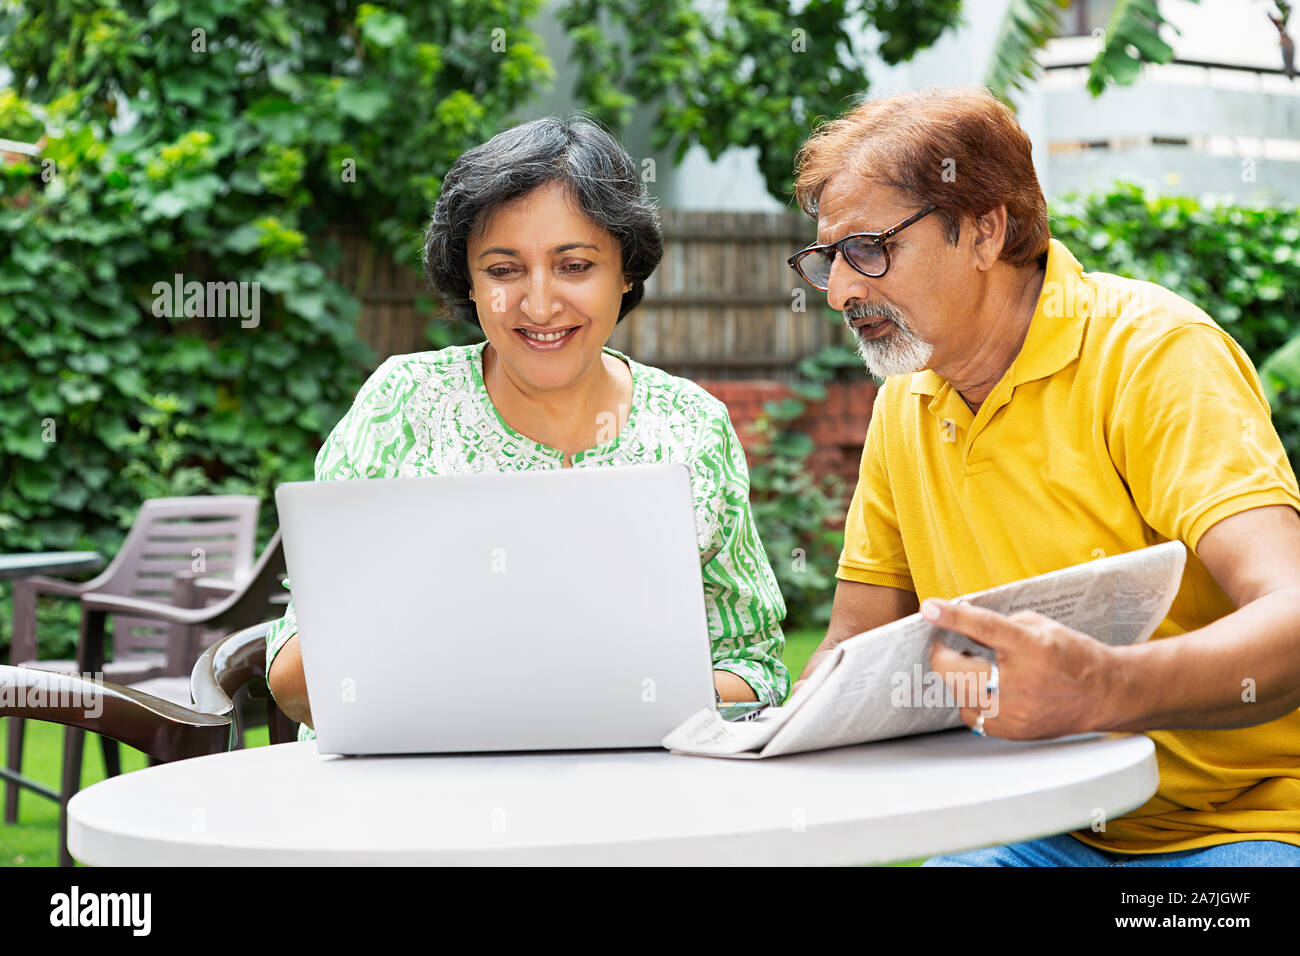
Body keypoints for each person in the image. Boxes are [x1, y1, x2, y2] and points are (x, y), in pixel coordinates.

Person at [787, 86, 1300, 865]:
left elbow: (1292, 616)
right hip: (1044, 826)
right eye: (827, 258)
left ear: (986, 229)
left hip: (1242, 825)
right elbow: (855, 642)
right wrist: (777, 735)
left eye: (869, 247)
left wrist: (1107, 687)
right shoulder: (905, 404)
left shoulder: (1154, 355)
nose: (842, 290)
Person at [265, 114, 789, 740]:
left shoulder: (692, 427)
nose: (539, 306)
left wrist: (614, 697)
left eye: (574, 266)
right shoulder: (402, 406)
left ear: (626, 271)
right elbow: (298, 679)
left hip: (627, 802)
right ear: (469, 279)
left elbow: (753, 668)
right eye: (504, 270)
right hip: (416, 805)